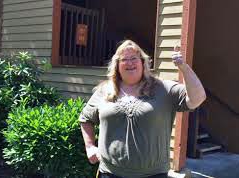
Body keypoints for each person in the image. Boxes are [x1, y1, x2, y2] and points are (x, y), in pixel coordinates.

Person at [79, 40, 206, 178]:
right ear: (117, 65)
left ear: (143, 63)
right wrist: (90, 146)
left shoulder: (164, 89)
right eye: (124, 59)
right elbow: (85, 118)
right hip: (110, 173)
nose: (130, 63)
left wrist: (183, 67)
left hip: (153, 175)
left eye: (134, 58)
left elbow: (197, 98)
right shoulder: (105, 91)